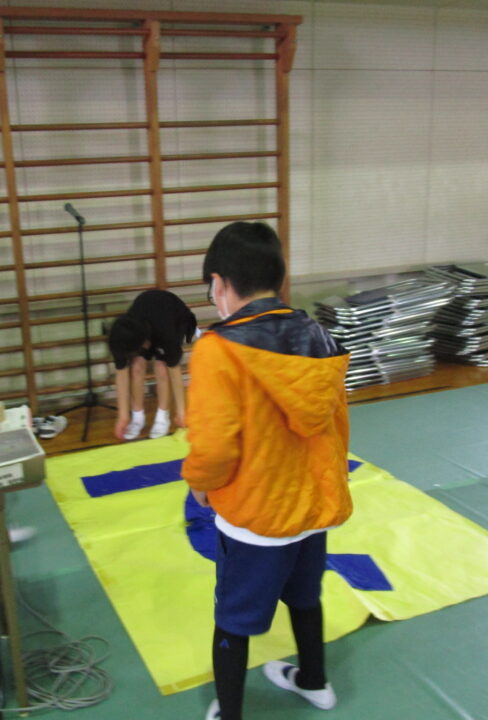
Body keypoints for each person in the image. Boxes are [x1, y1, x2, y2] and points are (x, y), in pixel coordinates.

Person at [181, 222, 353, 720]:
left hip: (256, 515)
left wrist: (200, 486)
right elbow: (336, 427)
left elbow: (214, 446)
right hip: (313, 507)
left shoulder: (219, 349)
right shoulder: (318, 334)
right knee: (305, 596)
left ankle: (230, 714)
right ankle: (315, 682)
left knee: (234, 617)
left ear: (219, 283)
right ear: (279, 278)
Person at [109, 289, 197, 441]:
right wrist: (123, 416)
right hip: (146, 319)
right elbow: (121, 374)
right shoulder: (120, 335)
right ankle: (137, 417)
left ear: (145, 343)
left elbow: (175, 372)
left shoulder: (167, 333)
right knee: (136, 367)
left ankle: (163, 417)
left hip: (173, 317)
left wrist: (181, 413)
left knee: (162, 368)